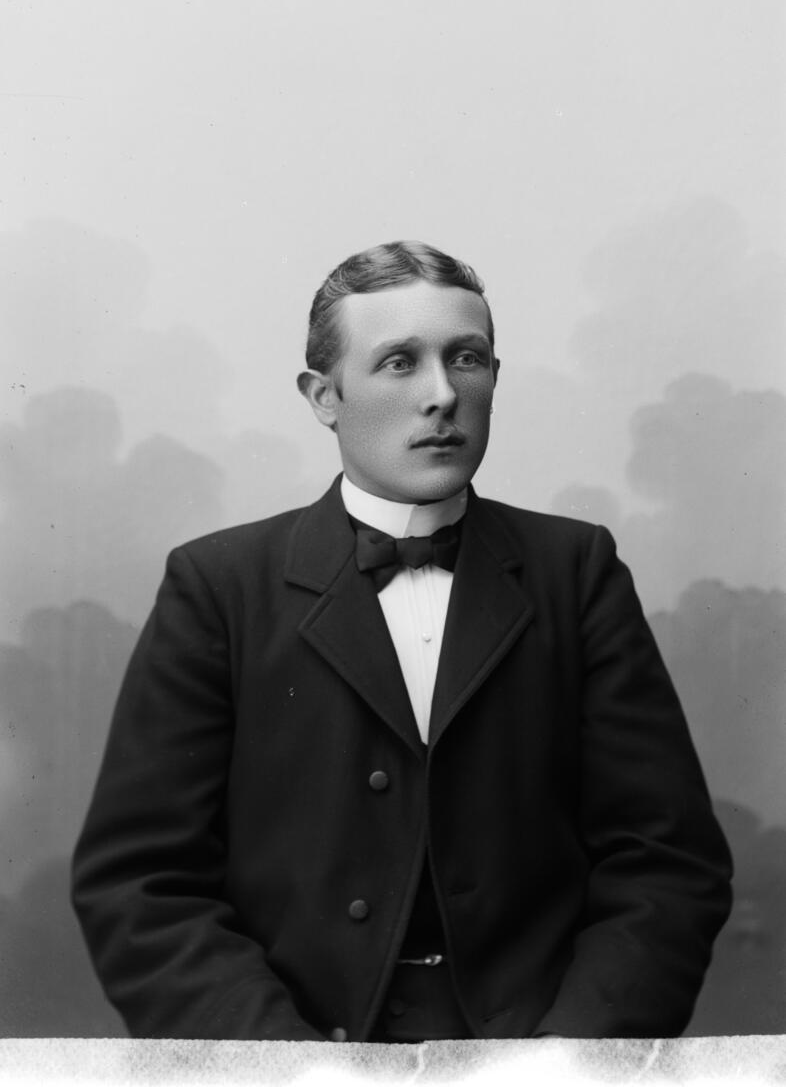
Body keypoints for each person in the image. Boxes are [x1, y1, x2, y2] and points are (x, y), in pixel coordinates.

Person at [71, 240, 733, 1043]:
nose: (443, 395)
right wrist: (287, 1069)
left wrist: (565, 1063)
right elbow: (140, 884)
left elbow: (667, 863)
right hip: (296, 1057)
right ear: (324, 396)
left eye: (467, 359)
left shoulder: (575, 570)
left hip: (536, 1060)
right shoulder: (219, 587)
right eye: (399, 362)